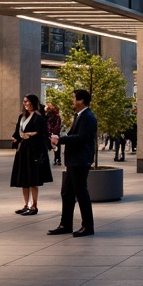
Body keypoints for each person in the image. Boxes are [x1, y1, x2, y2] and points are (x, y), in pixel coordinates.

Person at [49, 88, 97, 237]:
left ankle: (87, 226)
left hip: (80, 160)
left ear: (81, 100)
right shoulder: (80, 116)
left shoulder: (87, 117)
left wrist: (60, 139)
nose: (72, 100)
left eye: (73, 98)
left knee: (81, 193)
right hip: (74, 160)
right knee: (67, 193)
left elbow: (82, 138)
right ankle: (65, 224)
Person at [10, 94, 53, 216]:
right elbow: (18, 132)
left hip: (33, 150)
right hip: (23, 149)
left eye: (28, 101)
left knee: (33, 179)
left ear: (33, 102)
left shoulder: (39, 117)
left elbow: (42, 133)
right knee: (23, 178)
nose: (26, 104)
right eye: (24, 101)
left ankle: (34, 206)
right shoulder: (22, 117)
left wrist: (31, 134)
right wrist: (16, 138)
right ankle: (25, 205)